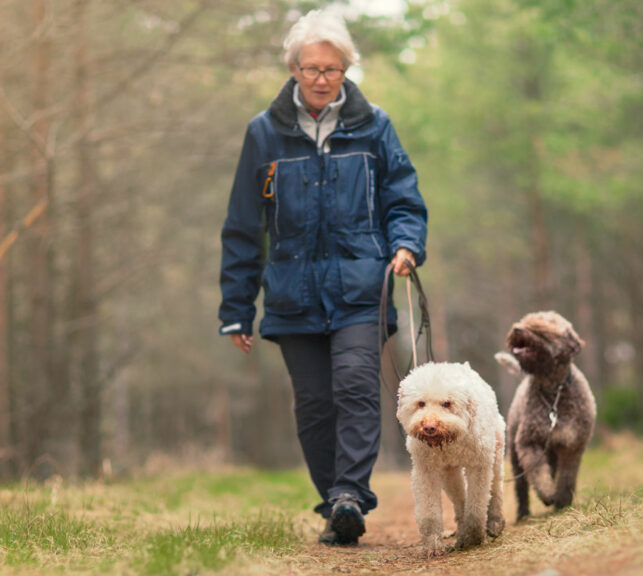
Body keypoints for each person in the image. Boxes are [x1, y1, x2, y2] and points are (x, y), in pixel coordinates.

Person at [218, 8, 427, 546]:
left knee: (356, 388)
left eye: (331, 70)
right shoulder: (263, 134)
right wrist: (237, 308)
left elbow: (403, 196)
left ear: (345, 71)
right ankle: (335, 503)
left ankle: (350, 495)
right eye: (310, 69)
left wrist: (406, 244)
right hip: (291, 295)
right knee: (314, 403)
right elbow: (244, 226)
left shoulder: (374, 125)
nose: (320, 79)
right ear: (293, 69)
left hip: (362, 289)